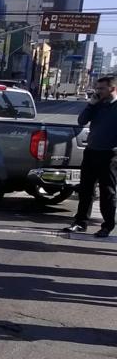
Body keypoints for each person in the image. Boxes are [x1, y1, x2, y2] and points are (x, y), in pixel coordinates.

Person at [64, 76, 117, 238]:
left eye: (101, 88)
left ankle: (107, 226)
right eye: (97, 88)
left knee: (107, 191)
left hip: (110, 154)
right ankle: (80, 222)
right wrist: (91, 105)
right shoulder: (97, 105)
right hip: (91, 151)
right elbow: (81, 121)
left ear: (112, 89)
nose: (97, 91)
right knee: (86, 189)